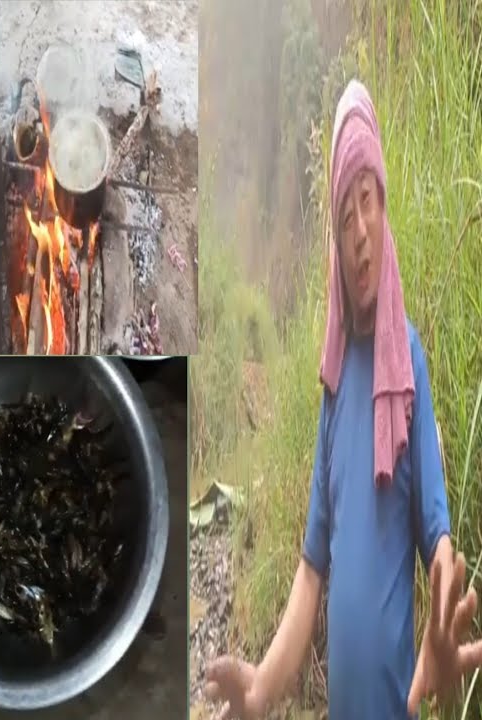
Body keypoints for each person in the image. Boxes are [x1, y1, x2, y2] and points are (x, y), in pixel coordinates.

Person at [202, 80, 482, 719]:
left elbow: (437, 534)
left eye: (367, 202)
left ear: (384, 207)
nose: (359, 231)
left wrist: (441, 630)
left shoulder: (408, 363)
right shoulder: (333, 382)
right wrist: (262, 688)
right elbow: (311, 568)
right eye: (344, 216)